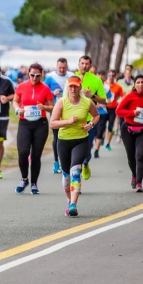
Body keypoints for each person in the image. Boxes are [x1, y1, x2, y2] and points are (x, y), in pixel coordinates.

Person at [50, 76, 100, 216]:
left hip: (81, 140)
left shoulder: (87, 102)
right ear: (67, 87)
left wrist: (91, 124)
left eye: (75, 86)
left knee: (75, 171)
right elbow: (52, 123)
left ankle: (73, 204)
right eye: (70, 86)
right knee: (66, 176)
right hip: (64, 141)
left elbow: (96, 116)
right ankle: (69, 200)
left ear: (80, 87)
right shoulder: (61, 102)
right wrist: (67, 122)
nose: (73, 89)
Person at [13, 63, 54, 194]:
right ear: (28, 74)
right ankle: (24, 178)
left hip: (40, 124)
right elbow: (15, 101)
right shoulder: (21, 86)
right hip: (24, 123)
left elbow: (52, 106)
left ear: (41, 75)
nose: (35, 78)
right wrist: (17, 109)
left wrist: (44, 107)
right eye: (32, 75)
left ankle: (34, 184)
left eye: (37, 75)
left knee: (36, 155)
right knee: (23, 152)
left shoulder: (45, 88)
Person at [73, 56, 106, 180]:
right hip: (74, 118)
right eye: (82, 63)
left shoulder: (96, 80)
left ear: (90, 65)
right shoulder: (71, 77)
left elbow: (104, 100)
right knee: (75, 148)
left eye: (87, 64)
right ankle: (76, 177)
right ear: (78, 64)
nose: (84, 66)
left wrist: (92, 95)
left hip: (89, 118)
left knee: (86, 148)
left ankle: (86, 162)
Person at [43, 57, 73, 174]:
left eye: (64, 67)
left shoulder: (71, 76)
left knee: (69, 136)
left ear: (67, 66)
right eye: (60, 67)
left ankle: (67, 161)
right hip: (55, 110)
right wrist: (52, 93)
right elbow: (43, 92)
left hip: (69, 110)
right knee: (57, 137)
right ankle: (56, 162)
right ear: (56, 66)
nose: (61, 69)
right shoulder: (50, 77)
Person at [91, 70, 110, 159]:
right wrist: (94, 104)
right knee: (93, 131)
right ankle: (92, 144)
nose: (100, 76)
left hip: (102, 113)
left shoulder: (106, 87)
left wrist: (102, 103)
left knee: (99, 132)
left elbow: (109, 100)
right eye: (99, 74)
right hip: (91, 113)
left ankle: (96, 150)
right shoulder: (92, 86)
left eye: (102, 75)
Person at [104, 69, 124, 150]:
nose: (111, 77)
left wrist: (119, 101)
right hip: (103, 108)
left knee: (110, 126)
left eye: (113, 76)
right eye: (109, 75)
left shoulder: (118, 86)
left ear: (115, 76)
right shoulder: (104, 84)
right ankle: (101, 137)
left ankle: (108, 143)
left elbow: (123, 96)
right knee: (101, 126)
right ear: (107, 76)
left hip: (113, 109)